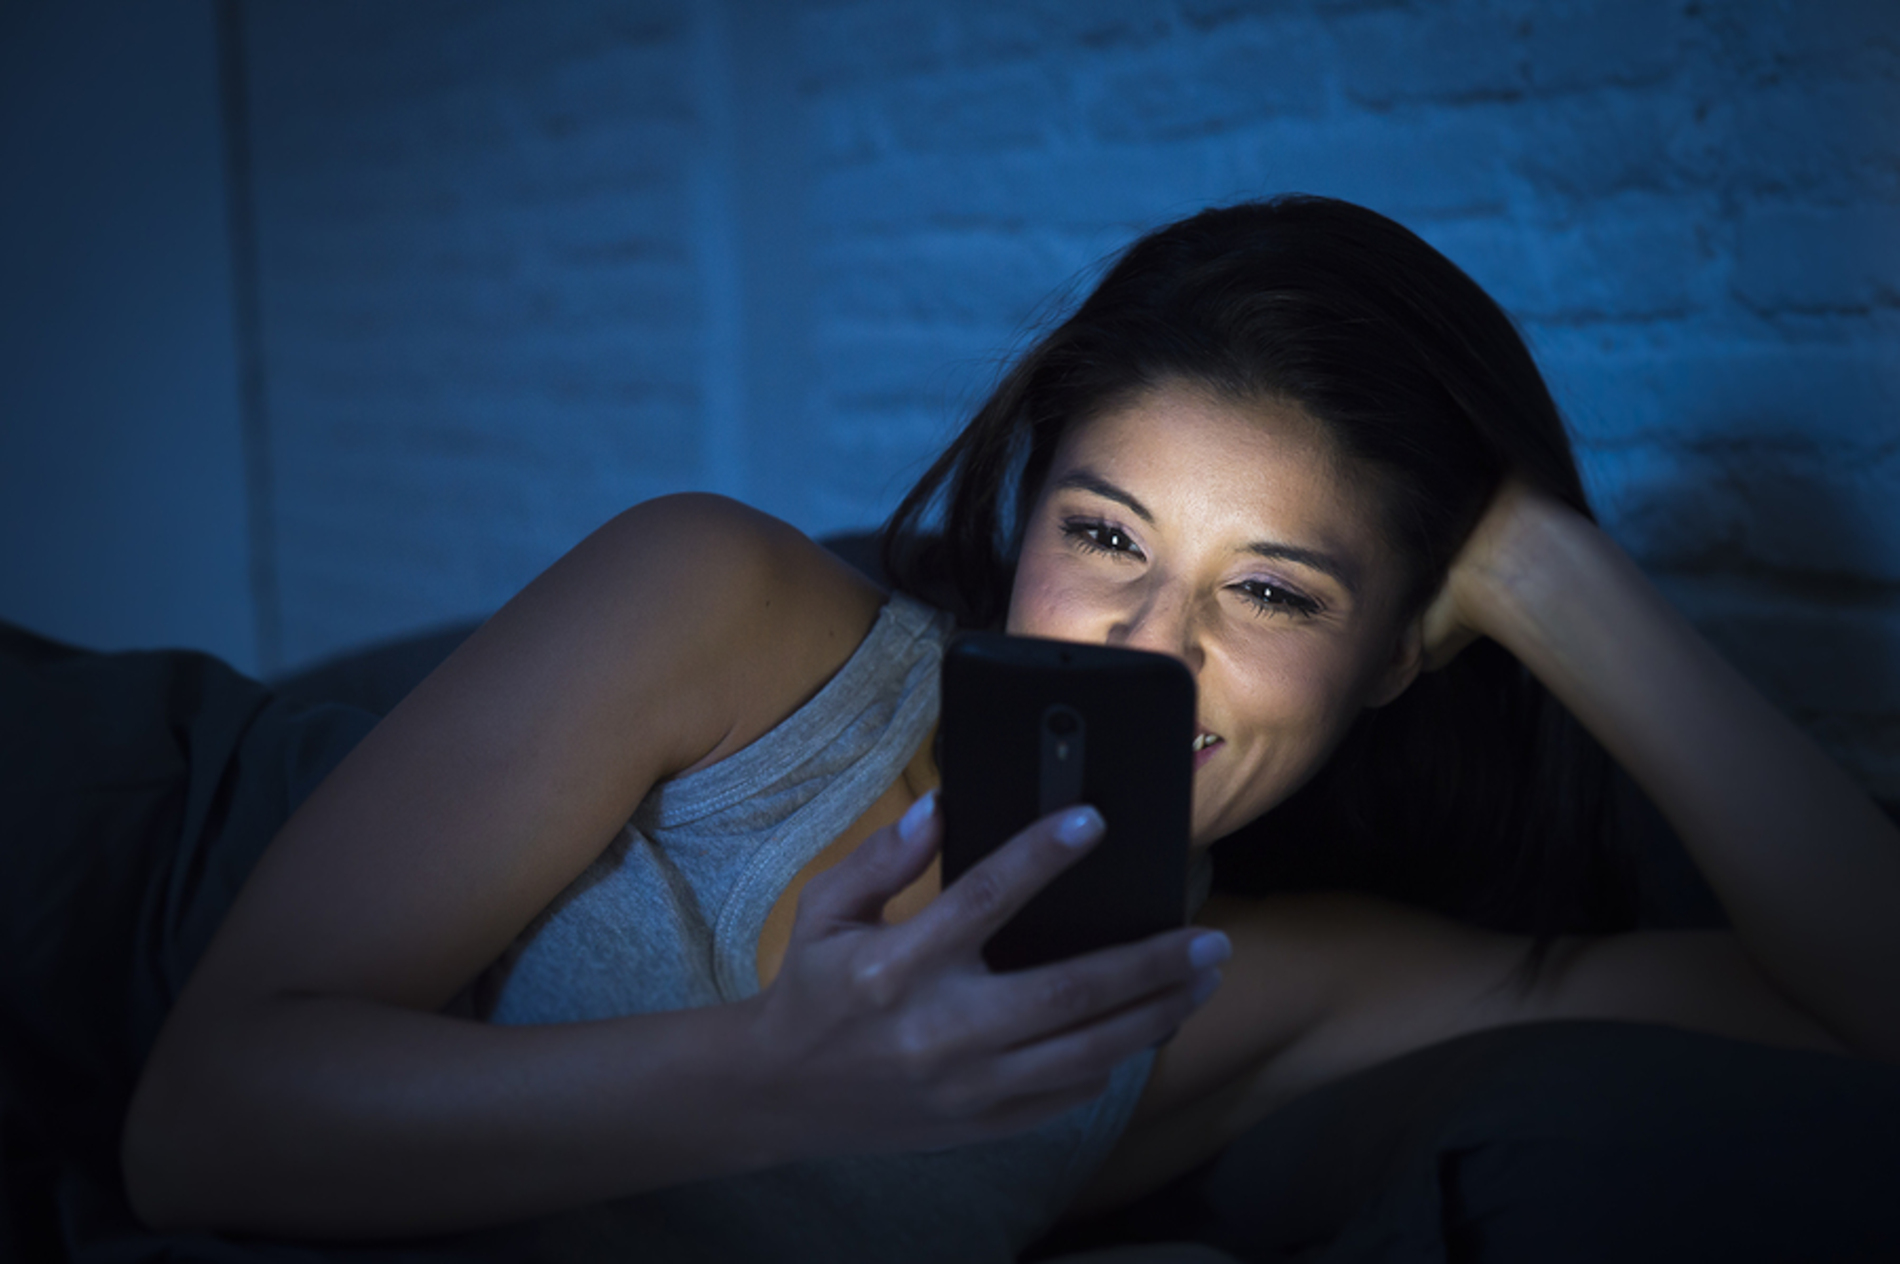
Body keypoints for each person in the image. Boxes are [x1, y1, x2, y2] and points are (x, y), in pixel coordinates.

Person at [117, 195, 1900, 1259]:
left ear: (1404, 662)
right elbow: (200, 1124)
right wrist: (767, 1079)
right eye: (1105, 536)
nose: (1148, 641)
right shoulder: (721, 605)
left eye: (1274, 593)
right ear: (1025, 508)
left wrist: (1546, 569)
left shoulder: (1254, 992)